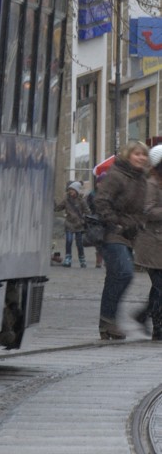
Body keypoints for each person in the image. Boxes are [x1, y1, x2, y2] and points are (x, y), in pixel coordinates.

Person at [93, 139, 149, 340]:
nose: (141, 158)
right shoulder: (117, 176)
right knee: (124, 273)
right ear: (128, 155)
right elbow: (100, 201)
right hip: (113, 233)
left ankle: (107, 322)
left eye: (143, 154)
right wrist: (115, 223)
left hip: (129, 234)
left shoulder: (140, 178)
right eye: (137, 154)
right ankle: (108, 320)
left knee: (116, 276)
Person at [132, 144, 162, 340]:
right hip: (152, 243)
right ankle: (158, 328)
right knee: (160, 287)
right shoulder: (151, 183)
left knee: (158, 287)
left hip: (159, 242)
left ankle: (144, 316)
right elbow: (147, 210)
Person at [54, 181, 89, 268]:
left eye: (72, 190)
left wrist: (84, 219)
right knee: (69, 241)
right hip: (69, 224)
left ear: (76, 191)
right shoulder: (66, 201)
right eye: (70, 190)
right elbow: (58, 208)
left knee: (79, 243)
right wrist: (54, 203)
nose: (71, 192)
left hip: (79, 225)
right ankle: (68, 258)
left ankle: (82, 259)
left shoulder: (81, 201)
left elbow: (87, 211)